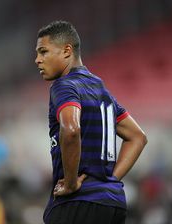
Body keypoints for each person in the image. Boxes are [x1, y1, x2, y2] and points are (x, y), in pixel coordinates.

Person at [35, 20, 147, 224]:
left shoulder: (64, 86)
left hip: (77, 203)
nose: (37, 60)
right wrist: (108, 181)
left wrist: (70, 184)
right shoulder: (100, 90)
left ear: (67, 51)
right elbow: (137, 137)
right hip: (112, 204)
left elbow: (70, 130)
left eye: (43, 52)